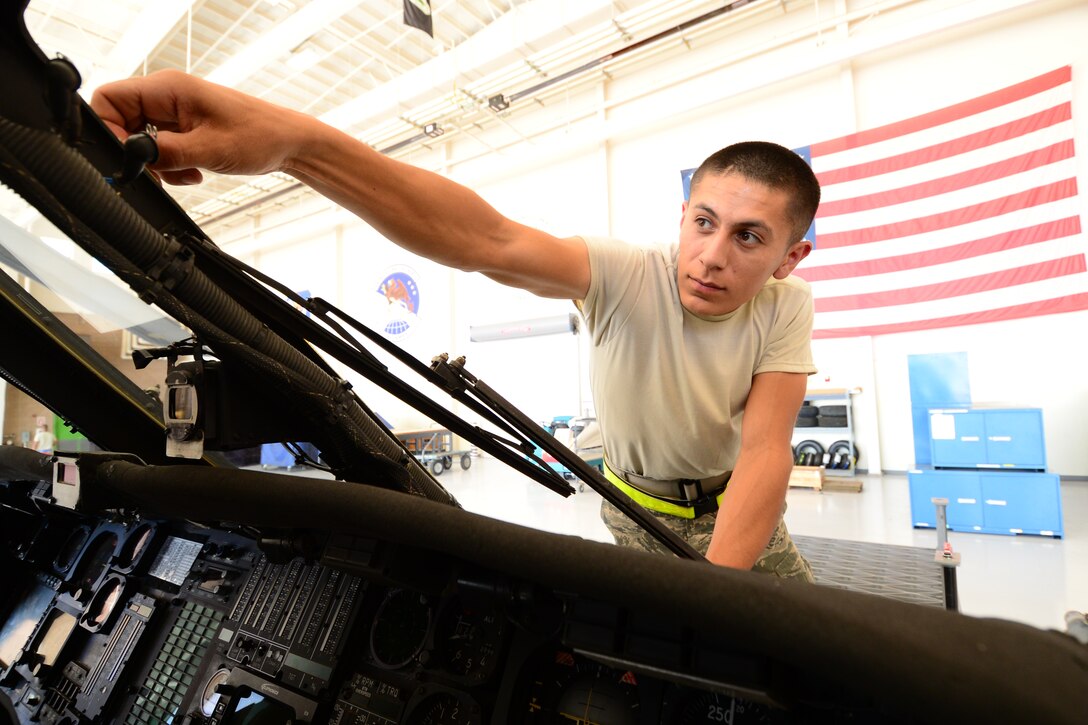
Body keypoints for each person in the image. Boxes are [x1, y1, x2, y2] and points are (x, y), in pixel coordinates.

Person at [92, 70, 819, 580]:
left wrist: (722, 593)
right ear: (683, 214)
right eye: (703, 222)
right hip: (632, 507)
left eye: (749, 238)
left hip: (735, 505)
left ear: (790, 258)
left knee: (801, 661)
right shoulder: (631, 275)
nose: (711, 256)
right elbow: (486, 238)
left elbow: (764, 450)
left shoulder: (786, 306)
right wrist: (296, 145)